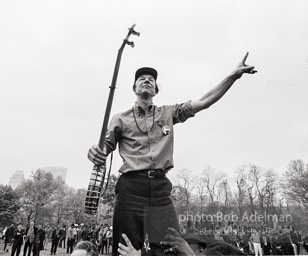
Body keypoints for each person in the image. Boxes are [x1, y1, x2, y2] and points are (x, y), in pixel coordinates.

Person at [88, 53, 257, 256]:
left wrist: (233, 75)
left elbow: (204, 101)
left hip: (160, 189)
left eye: (151, 79)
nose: (147, 80)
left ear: (155, 90)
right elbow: (104, 148)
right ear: (134, 89)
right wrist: (96, 152)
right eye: (141, 79)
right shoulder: (120, 119)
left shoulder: (168, 113)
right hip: (130, 189)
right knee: (125, 249)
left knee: (171, 248)